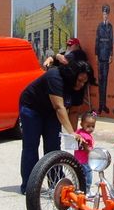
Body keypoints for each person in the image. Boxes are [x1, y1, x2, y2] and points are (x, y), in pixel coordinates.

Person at [19, 60, 93, 194]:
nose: (81, 84)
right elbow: (59, 107)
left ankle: (55, 184)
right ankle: (29, 187)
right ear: (71, 75)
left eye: (84, 82)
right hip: (32, 108)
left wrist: (74, 134)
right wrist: (70, 132)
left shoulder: (79, 88)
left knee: (53, 148)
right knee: (31, 146)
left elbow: (74, 112)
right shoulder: (55, 76)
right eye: (79, 80)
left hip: (51, 113)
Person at [94, 5, 113, 113]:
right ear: (102, 14)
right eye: (104, 14)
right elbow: (97, 41)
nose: (105, 16)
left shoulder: (110, 26)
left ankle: (104, 105)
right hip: (100, 55)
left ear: (108, 15)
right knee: (100, 80)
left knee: (105, 81)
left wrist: (111, 55)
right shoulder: (99, 26)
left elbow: (111, 41)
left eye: (106, 14)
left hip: (106, 56)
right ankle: (100, 105)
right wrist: (96, 55)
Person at [74, 111, 96, 193]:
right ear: (81, 124)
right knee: (88, 176)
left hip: (77, 159)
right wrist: (94, 154)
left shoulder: (78, 132)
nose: (91, 128)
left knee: (79, 175)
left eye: (93, 126)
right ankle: (87, 191)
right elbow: (88, 149)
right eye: (88, 126)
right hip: (85, 161)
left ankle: (79, 189)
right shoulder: (86, 137)